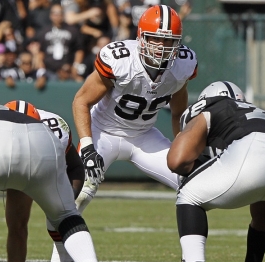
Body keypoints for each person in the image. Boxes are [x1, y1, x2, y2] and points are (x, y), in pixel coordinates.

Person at [166, 81, 265, 262]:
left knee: (189, 194)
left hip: (252, 150)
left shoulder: (213, 106)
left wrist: (197, 166)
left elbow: (177, 161)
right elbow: (262, 214)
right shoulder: (260, 113)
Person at [72, 4, 198, 215]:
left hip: (143, 136)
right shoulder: (121, 60)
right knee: (80, 193)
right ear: (141, 37)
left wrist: (182, 148)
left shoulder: (182, 65)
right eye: (155, 38)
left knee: (194, 183)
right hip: (103, 131)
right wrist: (87, 147)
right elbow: (81, 101)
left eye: (168, 40)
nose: (161, 46)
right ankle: (59, 249)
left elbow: (178, 113)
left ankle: (193, 248)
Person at [0, 95, 113, 262]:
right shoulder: (52, 123)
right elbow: (75, 166)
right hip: (41, 139)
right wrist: (63, 204)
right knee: (67, 217)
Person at [3, 100, 87, 262]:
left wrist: (68, 201)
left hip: (39, 167)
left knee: (61, 213)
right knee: (16, 223)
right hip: (0, 162)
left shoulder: (55, 130)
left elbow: (75, 167)